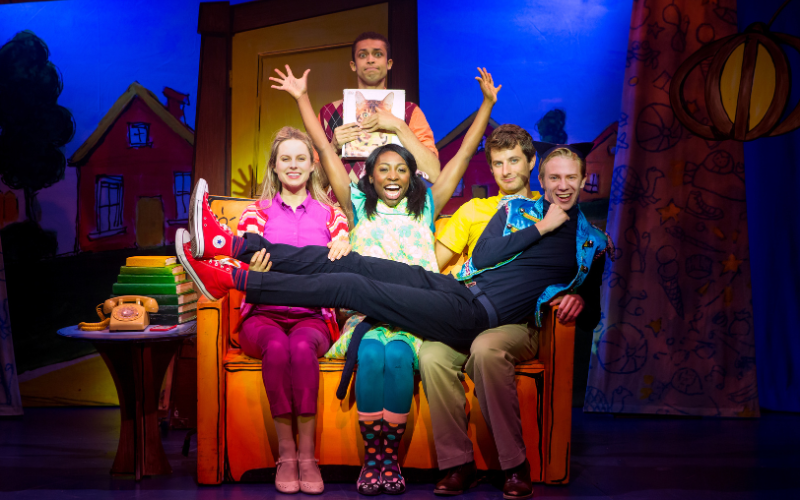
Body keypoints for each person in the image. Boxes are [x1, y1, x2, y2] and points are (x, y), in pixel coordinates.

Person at [267, 65, 500, 495]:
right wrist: (302, 98)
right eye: (383, 169)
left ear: (412, 176)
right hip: (367, 311)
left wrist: (485, 105)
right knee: (373, 355)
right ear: (369, 176)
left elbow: (464, 156)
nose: (392, 176)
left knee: (398, 358)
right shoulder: (357, 205)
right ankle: (373, 460)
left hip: (418, 314)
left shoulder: (426, 206)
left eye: (401, 170)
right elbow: (324, 147)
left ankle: (390, 458)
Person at [179, 139, 610, 361]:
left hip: (476, 317)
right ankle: (229, 244)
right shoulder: (519, 211)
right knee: (349, 262)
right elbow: (482, 258)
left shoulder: (591, 243)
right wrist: (540, 227)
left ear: (584, 178)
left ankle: (230, 279)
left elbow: (592, 313)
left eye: (571, 177)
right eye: (554, 178)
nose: (562, 186)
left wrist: (572, 296)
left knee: (350, 286)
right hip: (456, 287)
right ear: (544, 178)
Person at [420, 128, 595, 499]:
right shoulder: (505, 211)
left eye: (513, 160)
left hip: (518, 321)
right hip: (470, 305)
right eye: (497, 163)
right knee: (432, 353)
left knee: (486, 346)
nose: (505, 170)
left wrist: (577, 297)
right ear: (544, 179)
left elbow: (586, 294)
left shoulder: (586, 237)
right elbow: (457, 261)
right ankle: (458, 464)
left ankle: (514, 465)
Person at [220, 127, 349, 495]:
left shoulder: (332, 214)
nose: (293, 165)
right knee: (277, 348)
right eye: (285, 159)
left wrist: (343, 242)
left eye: (301, 159)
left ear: (312, 167)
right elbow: (239, 265)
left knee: (301, 348)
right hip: (262, 316)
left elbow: (342, 257)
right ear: (275, 168)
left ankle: (308, 456)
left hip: (312, 317)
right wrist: (251, 271)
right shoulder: (254, 213)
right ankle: (286, 453)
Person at [317, 31, 440, 191]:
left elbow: (433, 174)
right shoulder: (328, 113)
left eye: (377, 54)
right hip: (341, 214)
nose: (370, 59)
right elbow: (310, 184)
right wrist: (333, 148)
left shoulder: (410, 112)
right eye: (362, 55)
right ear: (353, 65)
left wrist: (399, 126)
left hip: (395, 213)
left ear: (389, 63)